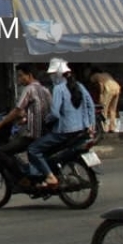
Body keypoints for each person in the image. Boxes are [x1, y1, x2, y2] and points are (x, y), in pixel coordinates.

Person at [26, 58, 95, 190]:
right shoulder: (79, 85)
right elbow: (90, 105)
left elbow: (55, 114)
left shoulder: (58, 89)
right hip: (81, 130)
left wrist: (45, 120)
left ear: (57, 74)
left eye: (52, 74)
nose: (51, 77)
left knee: (33, 150)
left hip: (63, 132)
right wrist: (90, 124)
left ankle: (50, 176)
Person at [0, 64, 51, 165]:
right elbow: (43, 110)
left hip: (32, 134)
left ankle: (22, 179)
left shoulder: (29, 89)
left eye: (20, 76)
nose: (19, 79)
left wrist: (0, 124)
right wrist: (26, 119)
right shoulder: (44, 90)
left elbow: (17, 110)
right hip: (44, 132)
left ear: (29, 75)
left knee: (2, 151)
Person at [90, 69, 121, 136]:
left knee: (104, 109)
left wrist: (101, 95)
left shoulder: (95, 76)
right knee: (113, 110)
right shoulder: (106, 74)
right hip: (117, 87)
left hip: (109, 89)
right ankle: (112, 127)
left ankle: (105, 128)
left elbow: (100, 84)